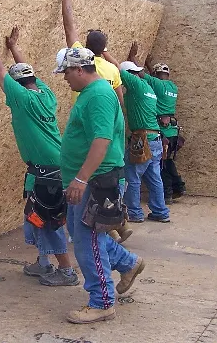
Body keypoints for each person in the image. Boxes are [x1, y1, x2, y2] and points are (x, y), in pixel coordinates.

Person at [0, 19, 79, 287]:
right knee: (35, 217)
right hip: (48, 170)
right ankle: (44, 263)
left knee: (48, 222)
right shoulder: (46, 94)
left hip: (48, 174)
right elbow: (22, 72)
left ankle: (67, 272)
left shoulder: (21, 100)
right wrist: (14, 47)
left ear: (16, 87)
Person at [54, 46, 145, 324]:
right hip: (85, 180)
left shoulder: (98, 96)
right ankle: (129, 263)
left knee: (85, 242)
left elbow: (102, 140)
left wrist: (81, 179)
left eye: (66, 72)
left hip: (94, 181)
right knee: (88, 237)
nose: (64, 78)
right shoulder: (91, 94)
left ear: (79, 69)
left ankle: (102, 302)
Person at [59, 0, 132, 245]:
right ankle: (115, 228)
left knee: (89, 232)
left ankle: (112, 232)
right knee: (95, 221)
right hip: (108, 146)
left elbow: (70, 30)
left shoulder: (83, 64)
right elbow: (120, 102)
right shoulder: (111, 71)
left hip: (93, 160)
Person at [105, 43, 170, 223]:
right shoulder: (148, 88)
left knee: (132, 176)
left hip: (143, 139)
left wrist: (103, 51)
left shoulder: (135, 85)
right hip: (155, 138)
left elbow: (117, 69)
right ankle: (160, 211)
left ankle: (134, 213)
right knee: (154, 177)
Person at [143, 54, 186, 204]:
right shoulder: (173, 87)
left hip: (163, 132)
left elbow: (142, 75)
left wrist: (134, 57)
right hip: (173, 131)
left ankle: (167, 194)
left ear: (155, 75)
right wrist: (150, 65)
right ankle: (178, 187)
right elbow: (156, 80)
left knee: (162, 165)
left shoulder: (157, 85)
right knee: (168, 162)